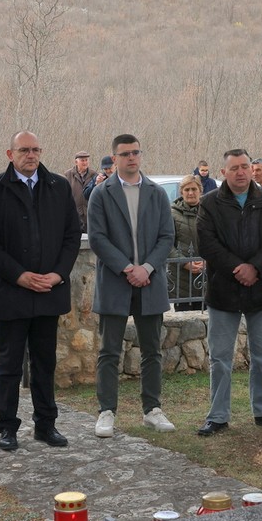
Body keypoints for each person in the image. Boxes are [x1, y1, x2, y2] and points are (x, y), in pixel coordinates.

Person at [0, 131, 82, 451]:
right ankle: (7, 427)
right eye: (24, 150)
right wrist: (19, 275)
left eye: (36, 149)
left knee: (44, 362)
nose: (31, 155)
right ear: (10, 153)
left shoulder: (58, 186)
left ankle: (46, 425)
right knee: (9, 365)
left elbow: (71, 236)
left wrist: (57, 274)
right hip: (11, 292)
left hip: (49, 290)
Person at [87, 134, 177, 438]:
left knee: (152, 350)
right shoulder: (101, 193)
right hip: (115, 282)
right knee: (109, 351)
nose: (131, 158)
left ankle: (152, 409)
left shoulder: (156, 192)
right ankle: (106, 412)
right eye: (125, 154)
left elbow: (167, 236)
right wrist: (128, 268)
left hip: (150, 283)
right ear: (115, 158)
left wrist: (147, 268)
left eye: (136, 152)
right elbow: (97, 238)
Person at [198, 148, 262, 436]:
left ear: (253, 169)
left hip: (261, 289)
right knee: (220, 358)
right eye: (234, 167)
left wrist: (255, 268)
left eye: (244, 166)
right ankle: (218, 416)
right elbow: (207, 244)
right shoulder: (209, 203)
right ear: (223, 173)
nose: (240, 172)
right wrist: (238, 268)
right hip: (223, 290)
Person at [169, 174, 205, 311]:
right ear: (181, 192)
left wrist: (208, 261)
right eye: (187, 189)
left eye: (194, 189)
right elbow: (167, 244)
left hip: (206, 277)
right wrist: (184, 263)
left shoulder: (209, 212)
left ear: (200, 191)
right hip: (181, 280)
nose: (190, 193)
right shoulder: (171, 214)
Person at [64, 150, 95, 232]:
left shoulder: (94, 175)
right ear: (76, 162)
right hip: (74, 216)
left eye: (86, 160)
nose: (85, 162)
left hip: (90, 216)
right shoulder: (68, 175)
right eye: (82, 160)